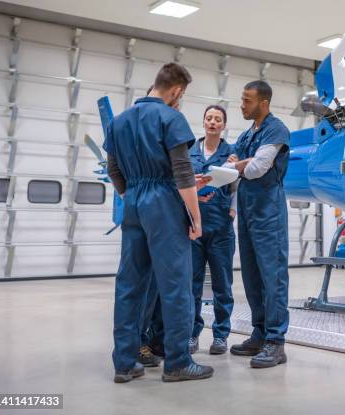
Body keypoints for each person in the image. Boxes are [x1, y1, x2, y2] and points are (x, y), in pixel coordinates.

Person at [104, 62, 213, 383]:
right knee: (176, 285)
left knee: (129, 284)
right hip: (164, 205)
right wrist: (194, 216)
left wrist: (134, 195)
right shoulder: (170, 117)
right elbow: (182, 174)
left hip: (134, 202)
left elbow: (113, 170)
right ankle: (178, 362)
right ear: (177, 91)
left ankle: (125, 363)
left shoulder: (119, 122)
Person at [225, 80, 291, 368]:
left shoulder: (276, 130)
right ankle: (260, 332)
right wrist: (239, 164)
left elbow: (255, 169)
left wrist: (241, 164)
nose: (242, 105)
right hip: (248, 211)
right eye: (242, 99)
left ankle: (276, 342)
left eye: (247, 100)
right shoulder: (245, 135)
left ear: (263, 103)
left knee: (272, 277)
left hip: (268, 213)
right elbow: (231, 168)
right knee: (252, 276)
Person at [187, 105, 237, 355]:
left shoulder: (232, 154)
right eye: (209, 118)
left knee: (222, 285)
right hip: (194, 228)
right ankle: (192, 335)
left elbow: (238, 186)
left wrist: (233, 211)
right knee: (192, 284)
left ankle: (220, 335)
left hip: (221, 230)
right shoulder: (190, 152)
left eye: (218, 119)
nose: (213, 122)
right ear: (203, 122)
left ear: (224, 125)